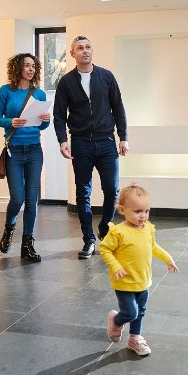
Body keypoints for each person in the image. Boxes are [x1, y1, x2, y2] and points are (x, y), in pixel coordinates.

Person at [53, 35, 129, 259]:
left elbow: (118, 108)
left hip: (106, 142)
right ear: (72, 54)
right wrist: (62, 140)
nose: (85, 51)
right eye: (80, 48)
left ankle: (105, 227)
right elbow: (59, 115)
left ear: (92, 50)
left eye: (88, 47)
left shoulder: (106, 76)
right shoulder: (66, 82)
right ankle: (88, 240)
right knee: (83, 193)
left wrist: (123, 137)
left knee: (112, 190)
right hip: (80, 144)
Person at [100, 183, 179, 356]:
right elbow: (105, 249)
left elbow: (153, 247)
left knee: (140, 312)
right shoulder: (118, 232)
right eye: (137, 212)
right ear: (122, 210)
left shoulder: (148, 229)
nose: (143, 216)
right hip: (124, 281)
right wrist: (116, 266)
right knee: (130, 312)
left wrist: (168, 258)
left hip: (143, 280)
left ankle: (135, 338)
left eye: (146, 211)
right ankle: (116, 320)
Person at [0, 53, 51, 263]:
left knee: (31, 199)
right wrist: (11, 122)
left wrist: (46, 120)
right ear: (18, 68)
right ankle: (9, 229)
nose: (31, 69)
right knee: (17, 198)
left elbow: (42, 126)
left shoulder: (40, 94)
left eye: (33, 66)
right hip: (14, 151)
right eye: (27, 66)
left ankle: (27, 244)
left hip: (34, 150)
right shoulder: (5, 91)